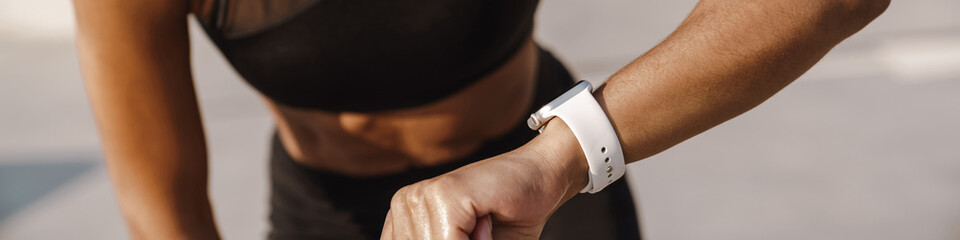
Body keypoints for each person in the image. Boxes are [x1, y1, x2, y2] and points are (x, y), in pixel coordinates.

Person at [72, 0, 889, 239]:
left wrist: (560, 158)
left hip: (545, 186)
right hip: (327, 218)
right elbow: (164, 205)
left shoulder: (551, 170)